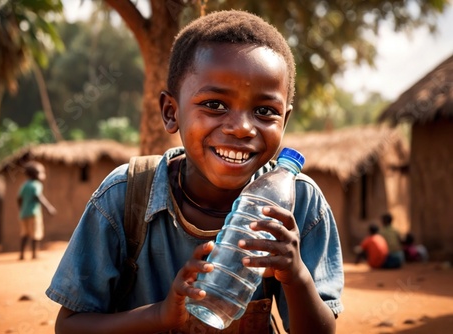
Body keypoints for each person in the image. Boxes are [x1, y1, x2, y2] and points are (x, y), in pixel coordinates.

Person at [46, 10, 344, 333]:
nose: (242, 128)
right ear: (171, 112)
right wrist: (159, 316)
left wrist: (296, 276)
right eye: (215, 104)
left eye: (264, 111)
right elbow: (70, 327)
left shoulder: (297, 204)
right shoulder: (123, 197)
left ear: (283, 122)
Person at [17, 161, 56, 260]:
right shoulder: (36, 184)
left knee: (24, 234)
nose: (43, 175)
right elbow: (38, 197)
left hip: (23, 214)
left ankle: (22, 254)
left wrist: (21, 209)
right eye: (41, 172)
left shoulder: (24, 185)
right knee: (35, 234)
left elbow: (19, 199)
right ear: (34, 175)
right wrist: (48, 207)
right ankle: (34, 254)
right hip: (34, 213)